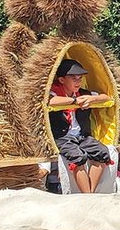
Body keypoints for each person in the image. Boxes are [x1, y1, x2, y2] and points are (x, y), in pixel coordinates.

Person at [48, 58, 113, 194]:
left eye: (80, 78)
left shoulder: (84, 93)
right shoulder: (54, 92)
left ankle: (90, 193)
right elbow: (51, 101)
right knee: (78, 157)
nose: (78, 81)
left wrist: (92, 99)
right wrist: (74, 101)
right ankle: (86, 195)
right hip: (63, 136)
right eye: (73, 78)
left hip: (82, 136)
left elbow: (107, 98)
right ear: (61, 80)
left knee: (102, 152)